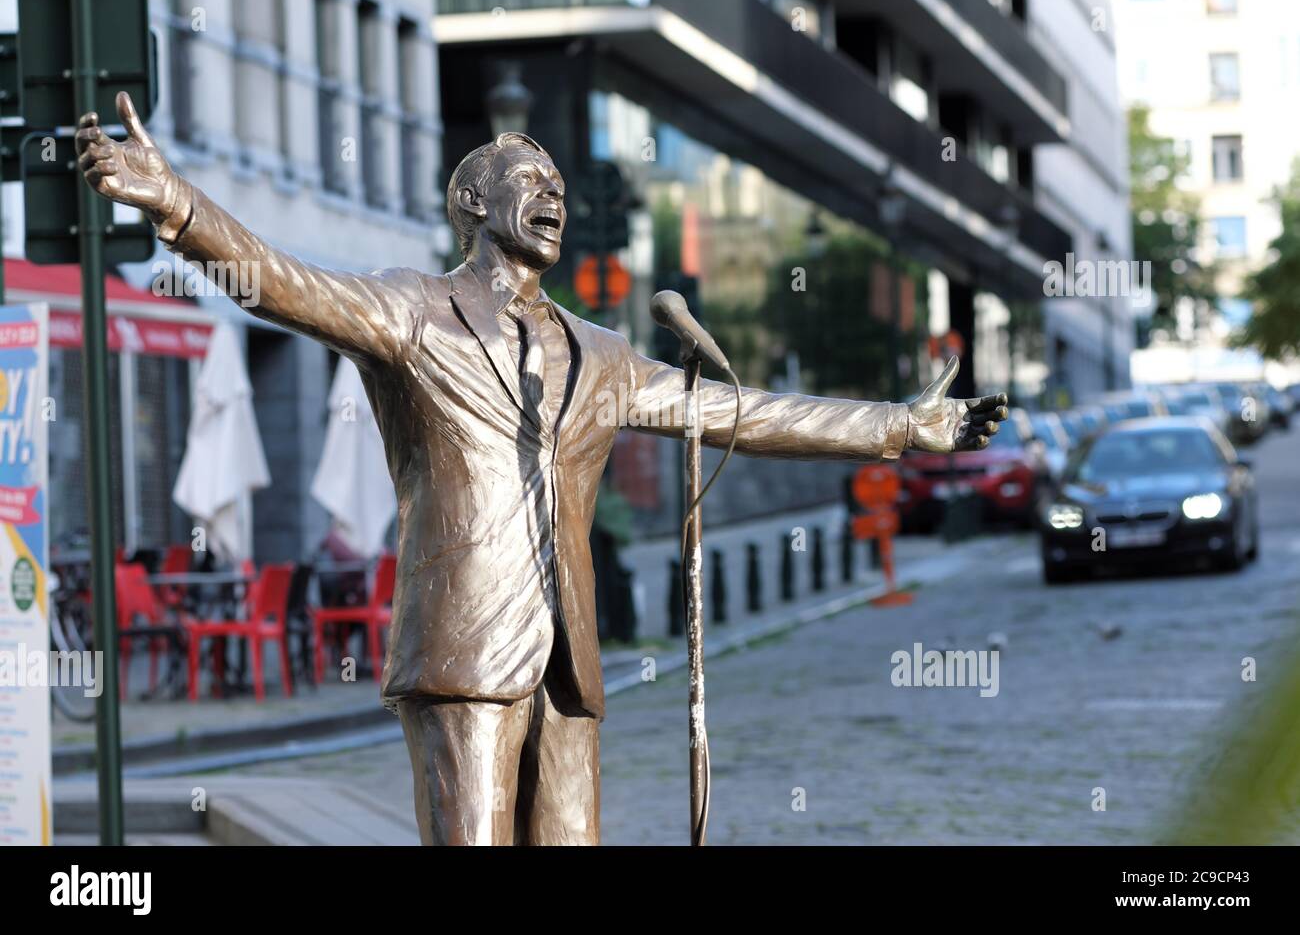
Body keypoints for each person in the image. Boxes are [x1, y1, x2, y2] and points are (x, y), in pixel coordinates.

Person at [77, 92, 1008, 845]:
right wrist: (178, 205)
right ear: (475, 204)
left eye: (561, 182)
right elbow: (286, 282)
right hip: (463, 648)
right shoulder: (412, 313)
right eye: (532, 179)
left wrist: (900, 426)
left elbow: (738, 413)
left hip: (570, 663)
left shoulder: (600, 354)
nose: (555, 194)